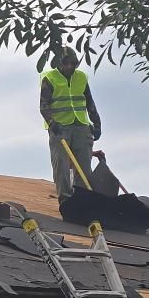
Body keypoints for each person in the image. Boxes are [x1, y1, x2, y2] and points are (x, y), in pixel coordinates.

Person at [40, 46, 101, 199]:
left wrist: (97, 124)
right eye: (66, 63)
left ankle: (83, 199)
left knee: (84, 167)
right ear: (59, 63)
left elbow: (90, 103)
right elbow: (44, 105)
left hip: (81, 126)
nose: (69, 67)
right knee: (62, 166)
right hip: (60, 128)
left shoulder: (81, 78)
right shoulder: (49, 78)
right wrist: (52, 123)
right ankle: (65, 200)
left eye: (72, 63)